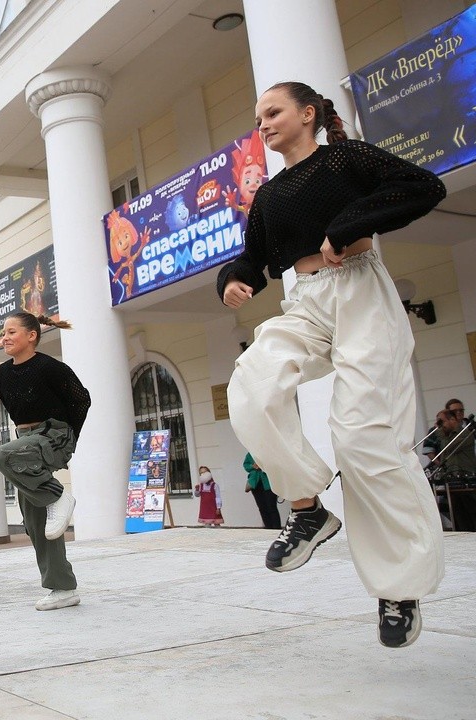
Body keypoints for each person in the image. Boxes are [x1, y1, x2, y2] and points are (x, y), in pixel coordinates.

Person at [218, 81, 446, 648]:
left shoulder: (343, 157)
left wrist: (348, 225)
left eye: (273, 112)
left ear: (307, 114)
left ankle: (399, 587)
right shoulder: (268, 196)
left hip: (362, 294)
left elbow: (421, 186)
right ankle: (307, 509)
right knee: (252, 383)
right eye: (258, 117)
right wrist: (236, 279)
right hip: (306, 300)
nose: (263, 124)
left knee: (363, 439)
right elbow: (253, 255)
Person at [0, 311, 91, 611]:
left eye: (11, 332)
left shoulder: (51, 368)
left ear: (31, 335)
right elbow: (15, 411)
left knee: (1, 455)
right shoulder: (2, 374)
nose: (5, 337)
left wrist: (68, 437)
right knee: (36, 519)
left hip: (54, 434)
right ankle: (62, 588)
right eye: (3, 333)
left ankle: (60, 497)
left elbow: (81, 400)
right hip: (27, 440)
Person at [244, 453, 281, 529]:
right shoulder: (250, 454)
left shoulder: (266, 452)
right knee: (262, 507)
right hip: (255, 483)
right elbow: (246, 465)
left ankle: (276, 528)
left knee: (271, 506)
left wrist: (263, 466)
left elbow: (275, 465)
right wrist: (252, 466)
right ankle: (268, 527)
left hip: (268, 483)